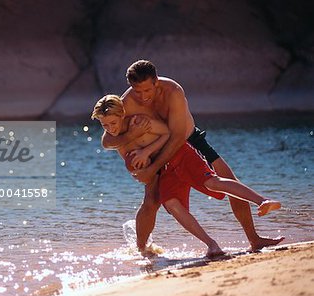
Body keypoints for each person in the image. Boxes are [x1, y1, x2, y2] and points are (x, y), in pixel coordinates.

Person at [101, 60, 284, 252]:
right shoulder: (127, 102)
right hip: (156, 149)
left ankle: (254, 239)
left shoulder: (173, 91)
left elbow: (178, 136)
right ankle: (142, 250)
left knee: (227, 180)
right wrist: (133, 138)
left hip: (188, 140)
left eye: (147, 90)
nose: (143, 96)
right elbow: (107, 140)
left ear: (156, 81)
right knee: (152, 201)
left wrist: (153, 167)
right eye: (138, 91)